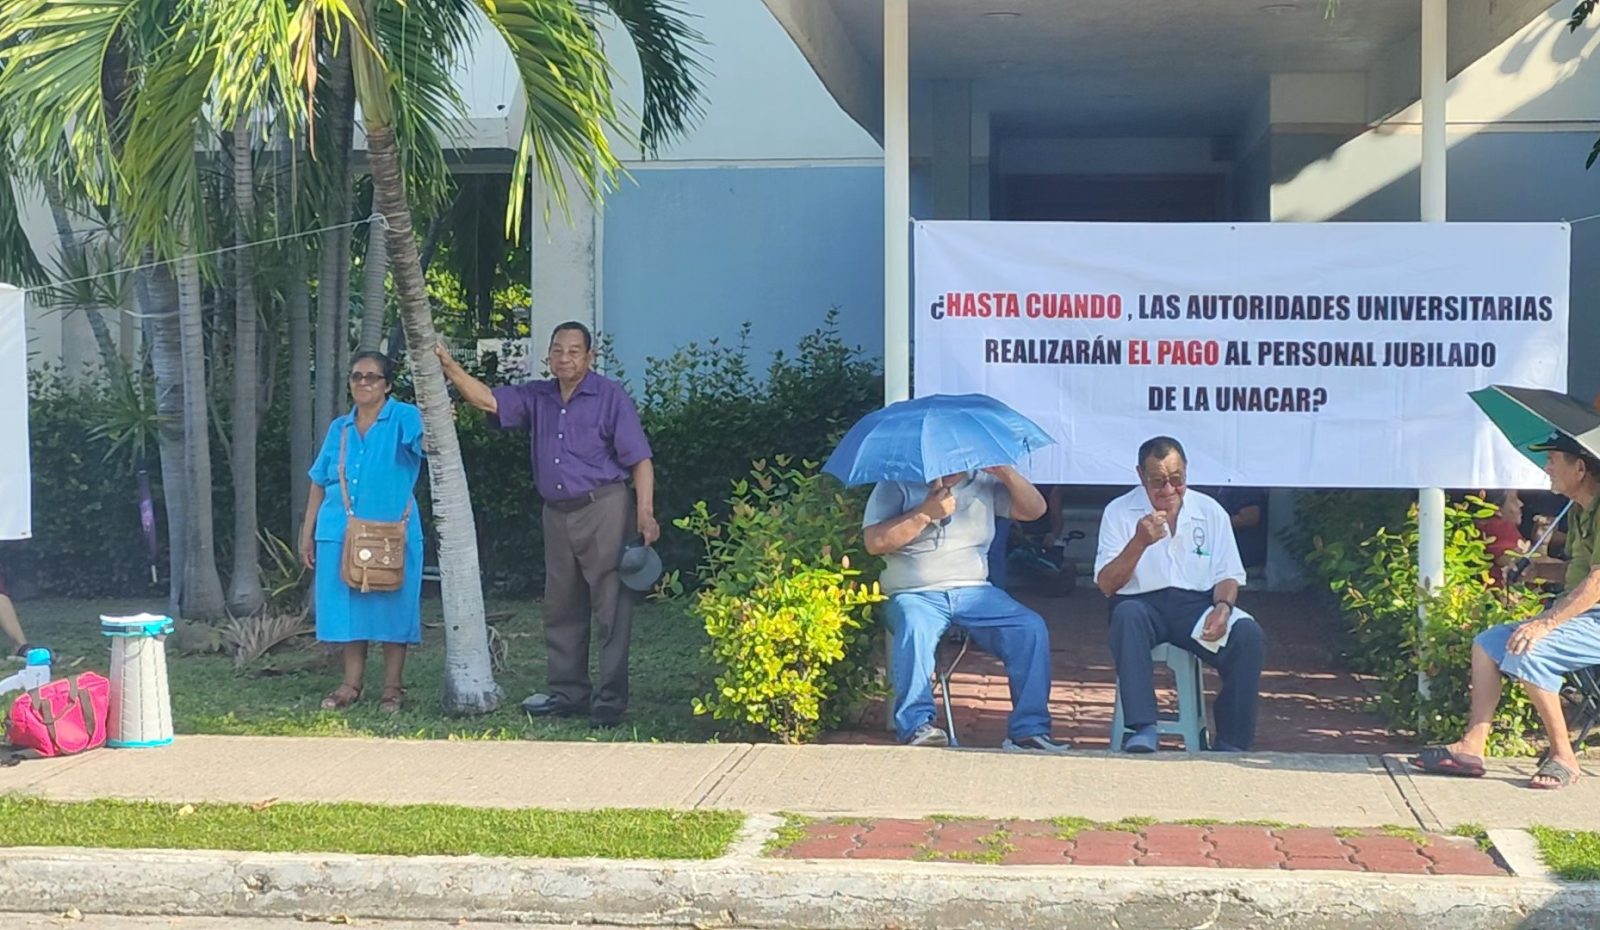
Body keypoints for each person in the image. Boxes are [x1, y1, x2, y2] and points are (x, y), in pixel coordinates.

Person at [436, 322, 658, 729]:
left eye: (574, 351)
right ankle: (569, 693)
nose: (564, 358)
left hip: (604, 507)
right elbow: (488, 401)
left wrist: (645, 512)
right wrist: (449, 366)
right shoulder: (538, 396)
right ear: (548, 355)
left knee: (610, 606)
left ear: (589, 357)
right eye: (557, 350)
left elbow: (639, 459)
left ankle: (609, 701)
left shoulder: (609, 396)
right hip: (556, 512)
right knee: (561, 604)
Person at [1412, 432, 1600, 790]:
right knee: (1488, 644)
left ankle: (1564, 756)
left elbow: (1597, 582)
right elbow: (1577, 572)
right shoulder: (1580, 510)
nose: (1546, 468)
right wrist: (1536, 570)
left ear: (1579, 468)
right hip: (1584, 613)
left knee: (1530, 648)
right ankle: (1472, 746)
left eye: (1553, 460)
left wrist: (1546, 623)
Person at [864, 465, 1069, 752]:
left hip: (974, 590)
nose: (949, 468)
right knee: (915, 625)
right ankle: (916, 725)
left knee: (1029, 627)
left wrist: (1005, 472)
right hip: (914, 592)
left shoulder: (983, 481)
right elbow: (874, 542)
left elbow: (1035, 511)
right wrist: (924, 514)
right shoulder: (896, 483)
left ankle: (1029, 730)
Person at [1095, 436, 1266, 753]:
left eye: (1177, 479)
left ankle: (1232, 741)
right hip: (1140, 603)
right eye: (1158, 482)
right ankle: (1142, 727)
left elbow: (1228, 574)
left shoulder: (1209, 511)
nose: (1169, 490)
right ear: (1140, 476)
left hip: (1194, 606)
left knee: (1248, 635)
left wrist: (1223, 607)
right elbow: (1107, 585)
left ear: (1186, 471)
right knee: (1126, 617)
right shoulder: (1119, 511)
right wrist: (1138, 543)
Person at [299, 351, 425, 714]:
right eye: (357, 376)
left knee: (393, 608)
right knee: (348, 611)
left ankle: (392, 688)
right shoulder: (340, 428)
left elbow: (426, 444)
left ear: (387, 385)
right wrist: (307, 533)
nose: (364, 382)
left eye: (372, 376)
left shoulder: (404, 417)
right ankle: (350, 684)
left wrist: (440, 421)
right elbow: (319, 481)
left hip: (391, 533)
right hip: (339, 532)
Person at [1211, 486, 1269, 571]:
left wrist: (1212, 524)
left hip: (1245, 563)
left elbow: (1250, 517)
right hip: (1221, 562)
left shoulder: (1244, 486)